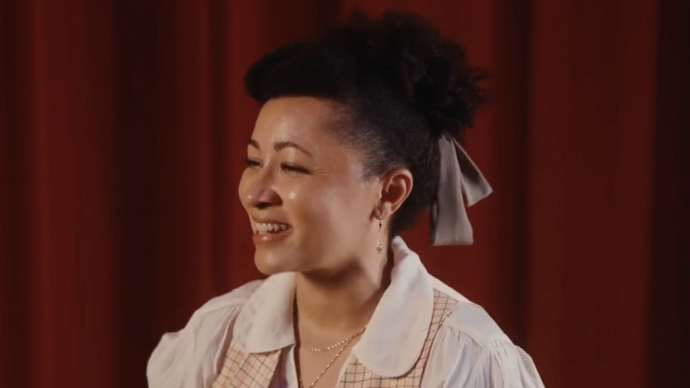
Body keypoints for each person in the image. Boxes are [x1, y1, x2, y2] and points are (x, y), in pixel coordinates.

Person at [147, 9, 545, 388]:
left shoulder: (463, 357)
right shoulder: (218, 335)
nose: (254, 193)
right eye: (253, 161)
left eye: (292, 167)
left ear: (390, 193)